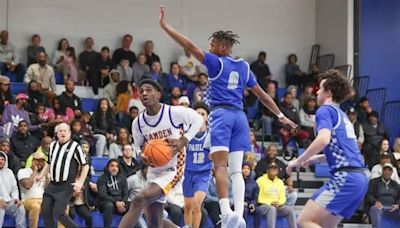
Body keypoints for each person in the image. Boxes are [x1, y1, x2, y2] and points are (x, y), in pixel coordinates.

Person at [159, 6, 296, 227]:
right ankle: (239, 215)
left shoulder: (216, 62)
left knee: (220, 167)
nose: (209, 47)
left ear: (222, 47)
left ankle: (226, 212)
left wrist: (165, 27)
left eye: (212, 44)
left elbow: (189, 46)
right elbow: (262, 95)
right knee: (236, 171)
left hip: (221, 115)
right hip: (241, 118)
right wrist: (281, 115)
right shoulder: (243, 66)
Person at [286, 70, 369, 228]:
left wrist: (298, 160)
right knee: (324, 225)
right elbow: (347, 150)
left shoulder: (325, 110)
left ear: (329, 92)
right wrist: (318, 158)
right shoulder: (342, 115)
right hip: (360, 178)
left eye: (320, 88)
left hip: (346, 178)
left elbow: (323, 139)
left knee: (304, 221)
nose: (317, 91)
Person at [118, 79, 203, 228]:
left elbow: (198, 119)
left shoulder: (174, 112)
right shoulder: (138, 122)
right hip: (154, 171)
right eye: (142, 90)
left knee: (139, 199)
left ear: (158, 94)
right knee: (154, 224)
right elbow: (137, 147)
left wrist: (184, 140)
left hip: (174, 169)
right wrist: (141, 156)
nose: (144, 93)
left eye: (148, 90)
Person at [40, 123, 89, 228]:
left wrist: (80, 182)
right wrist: (40, 176)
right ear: (56, 134)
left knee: (58, 212)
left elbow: (85, 166)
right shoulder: (53, 145)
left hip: (66, 184)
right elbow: (49, 163)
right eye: (60, 131)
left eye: (65, 131)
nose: (62, 133)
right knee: (45, 210)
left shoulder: (75, 146)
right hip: (52, 184)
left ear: (69, 133)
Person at [183, 102, 212, 228]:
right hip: (187, 172)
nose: (200, 116)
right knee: (188, 207)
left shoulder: (211, 135)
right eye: (197, 113)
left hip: (203, 174)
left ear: (207, 117)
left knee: (196, 204)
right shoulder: (186, 134)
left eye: (203, 114)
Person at [257, 162, 297, 228]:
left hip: (277, 206)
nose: (273, 171)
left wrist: (278, 203)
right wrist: (270, 203)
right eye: (271, 169)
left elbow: (282, 197)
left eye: (275, 169)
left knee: (289, 210)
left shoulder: (280, 182)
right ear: (267, 170)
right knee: (272, 209)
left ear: (278, 171)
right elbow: (258, 197)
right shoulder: (260, 180)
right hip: (263, 206)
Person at [17, 151, 47, 228]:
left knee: (63, 206)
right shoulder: (23, 171)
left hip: (43, 200)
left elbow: (48, 189)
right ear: (32, 161)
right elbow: (27, 185)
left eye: (42, 161)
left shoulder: (43, 174)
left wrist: (46, 175)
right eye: (37, 160)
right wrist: (34, 171)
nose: (40, 163)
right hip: (28, 200)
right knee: (36, 206)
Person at [97, 159, 129, 228]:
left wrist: (123, 202)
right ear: (108, 167)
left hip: (120, 203)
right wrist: (116, 202)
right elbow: (103, 195)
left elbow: (126, 194)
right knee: (109, 205)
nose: (114, 168)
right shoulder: (102, 178)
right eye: (112, 166)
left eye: (116, 166)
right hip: (105, 202)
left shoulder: (123, 178)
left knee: (132, 205)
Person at [366, 163, 400, 228]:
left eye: (389, 170)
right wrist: (375, 202)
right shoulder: (374, 182)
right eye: (385, 170)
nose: (387, 172)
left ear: (392, 172)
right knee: (375, 209)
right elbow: (369, 194)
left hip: (392, 207)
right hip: (378, 207)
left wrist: (398, 205)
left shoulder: (396, 185)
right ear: (382, 171)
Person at [0, 151, 26, 228]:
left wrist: (15, 198)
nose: (0, 161)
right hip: (0, 202)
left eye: (2, 159)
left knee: (20, 207)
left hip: (8, 202)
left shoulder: (9, 172)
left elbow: (14, 188)